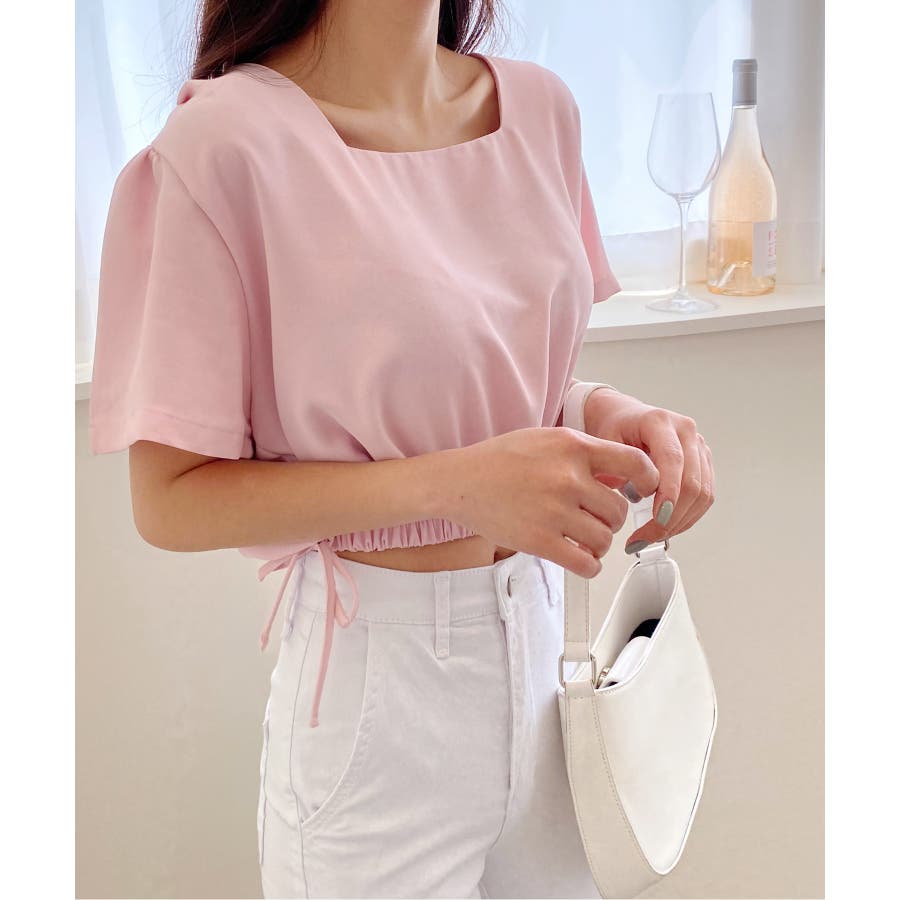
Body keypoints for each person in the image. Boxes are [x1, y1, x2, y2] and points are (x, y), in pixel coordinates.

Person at [88, 1, 716, 897]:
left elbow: (471, 373)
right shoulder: (222, 147)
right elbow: (170, 498)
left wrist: (603, 410)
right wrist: (455, 487)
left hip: (551, 666)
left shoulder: (541, 110)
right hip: (378, 711)